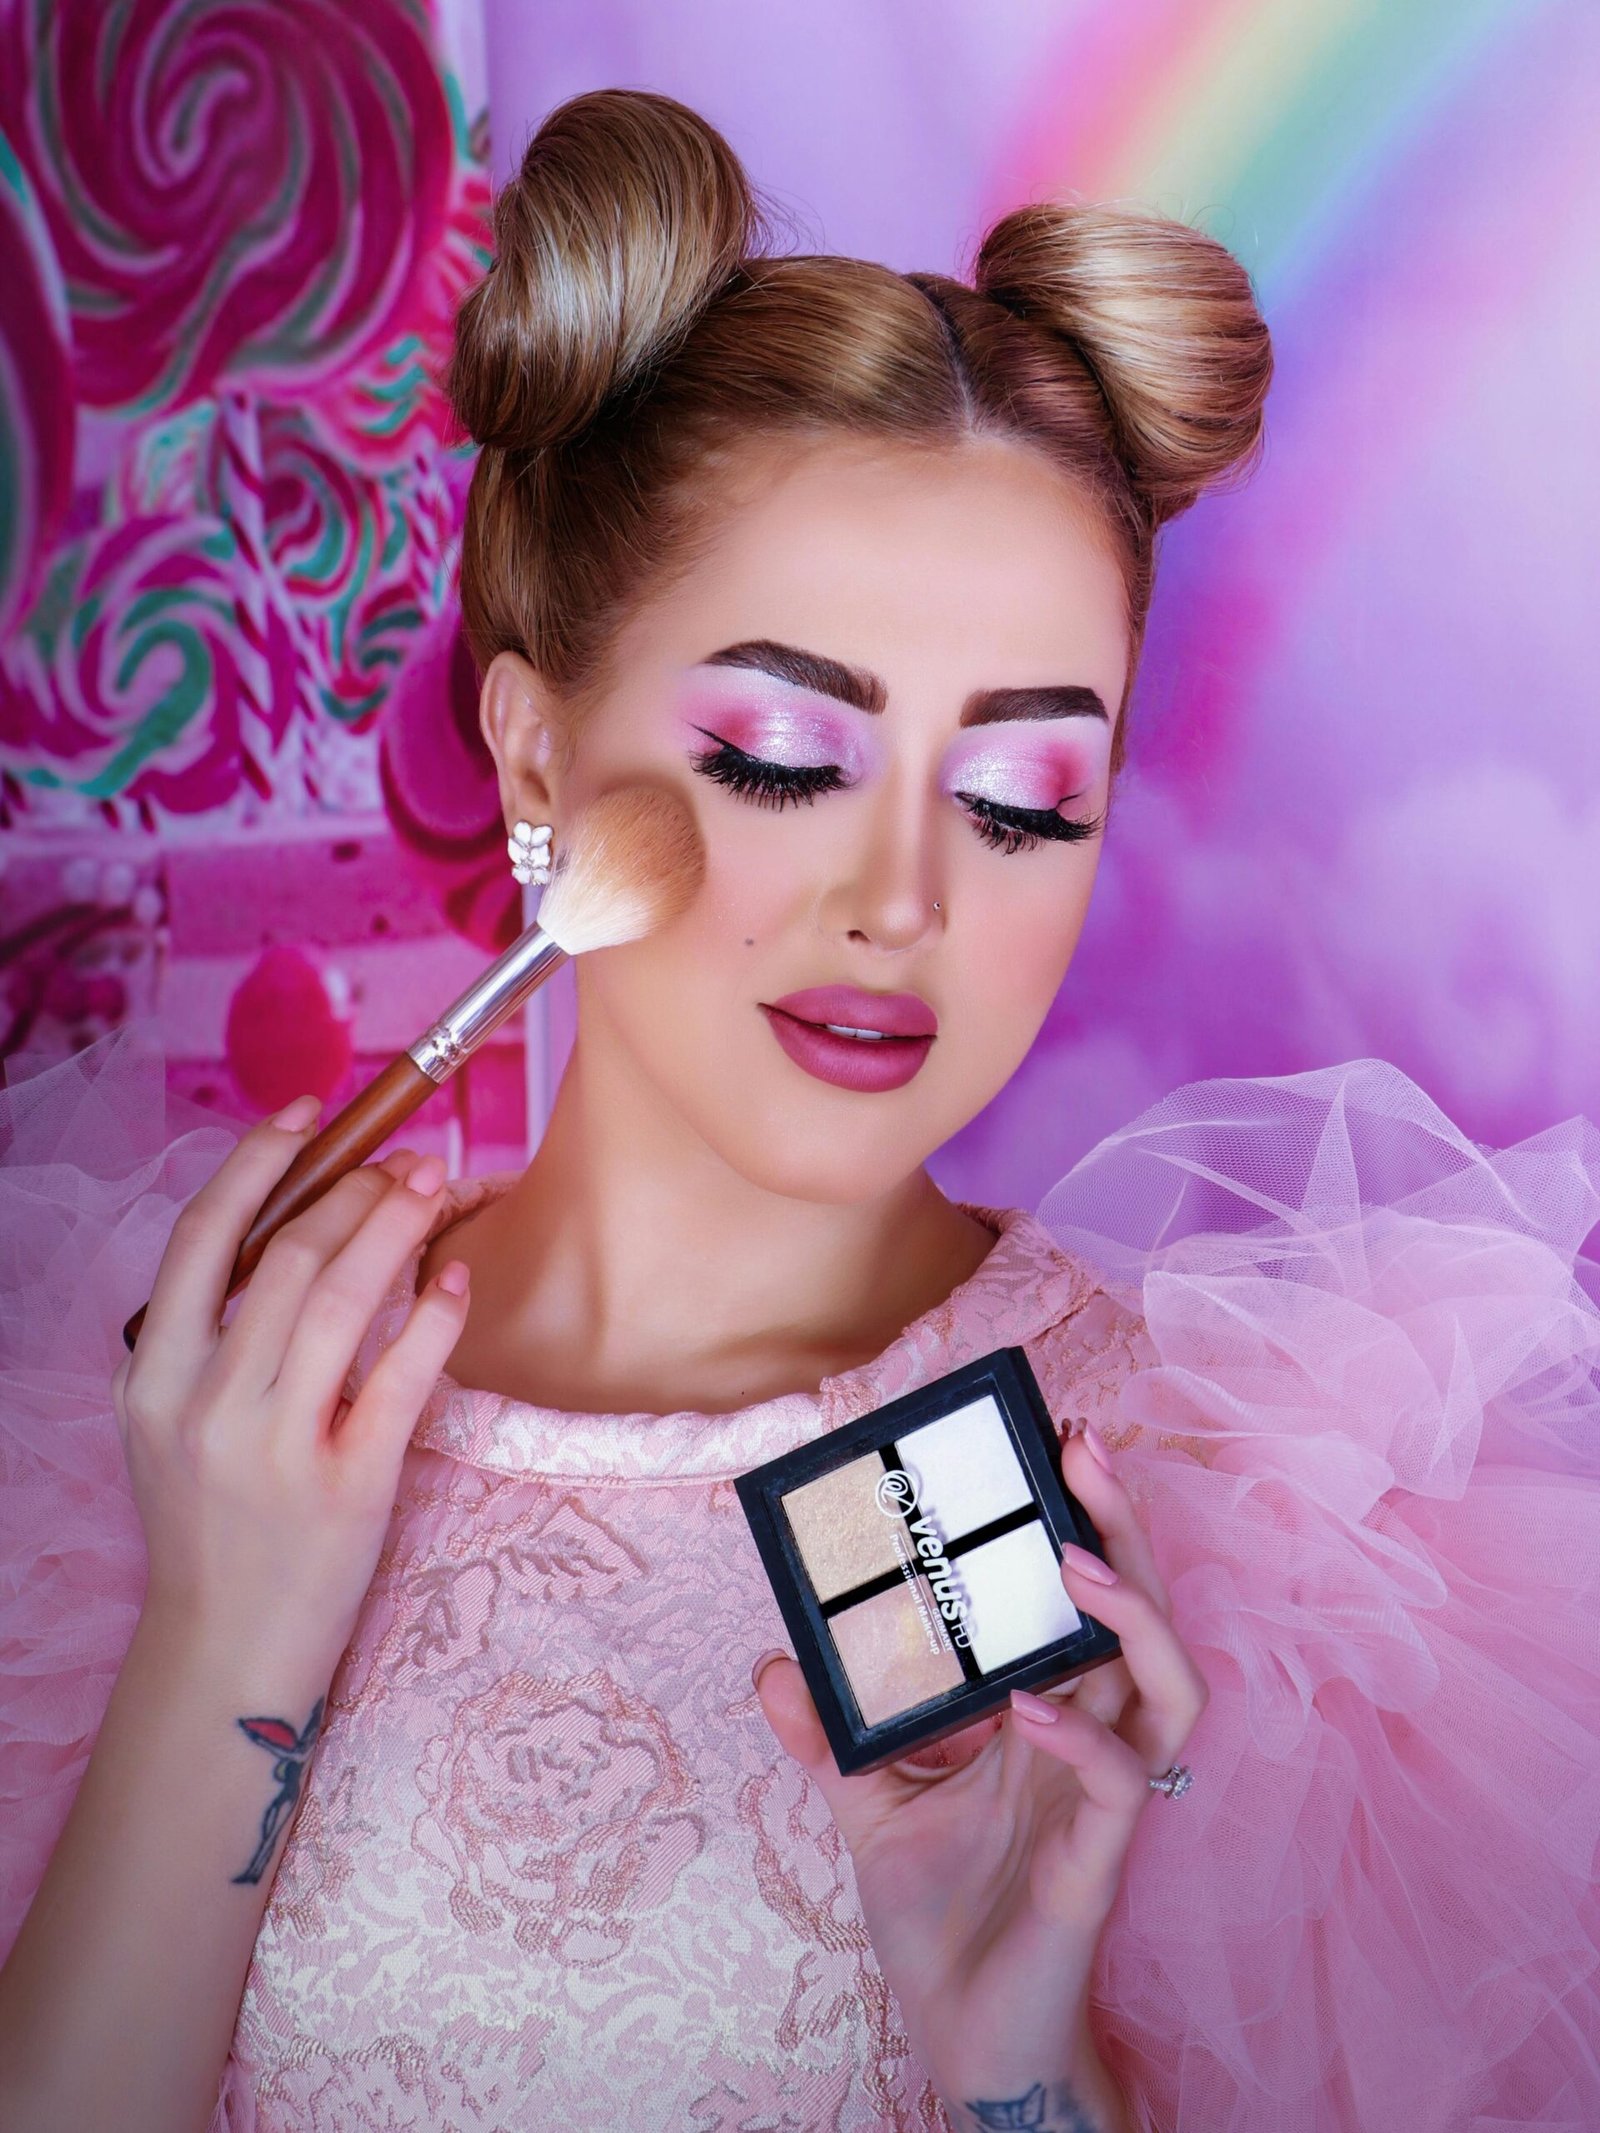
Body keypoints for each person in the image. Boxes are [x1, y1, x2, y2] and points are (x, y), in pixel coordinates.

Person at [1, 86, 1597, 2133]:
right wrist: (220, 1636)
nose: (905, 900)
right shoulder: (205, 1432)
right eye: (777, 755)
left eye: (1024, 797)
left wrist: (1025, 2071)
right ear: (529, 750)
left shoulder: (1219, 1525)